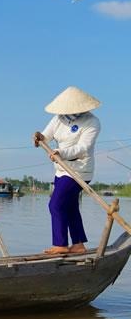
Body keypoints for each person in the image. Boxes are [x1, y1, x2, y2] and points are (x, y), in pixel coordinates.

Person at [33, 86, 101, 255]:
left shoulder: (92, 122)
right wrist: (39, 137)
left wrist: (61, 153)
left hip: (79, 171)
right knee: (70, 207)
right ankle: (78, 244)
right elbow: (46, 135)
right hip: (61, 169)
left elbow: (83, 147)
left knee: (55, 204)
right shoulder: (59, 118)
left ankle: (60, 244)